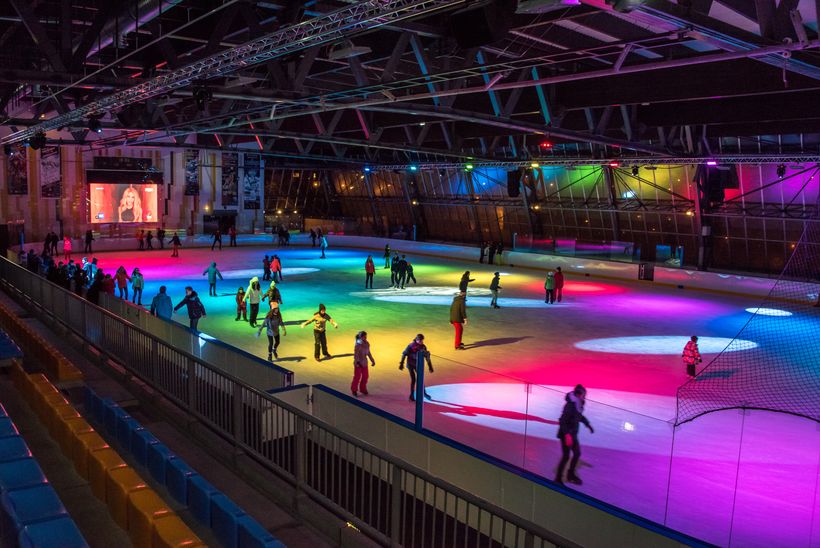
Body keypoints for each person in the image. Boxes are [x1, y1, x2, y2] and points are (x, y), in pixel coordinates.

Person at [555, 384, 594, 486]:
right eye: (584, 395)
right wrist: (567, 435)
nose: (585, 397)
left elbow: (579, 416)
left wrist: (587, 424)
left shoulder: (578, 403)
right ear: (579, 394)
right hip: (566, 434)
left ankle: (570, 474)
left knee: (577, 453)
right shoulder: (570, 405)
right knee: (566, 456)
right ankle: (558, 479)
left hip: (573, 434)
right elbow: (562, 421)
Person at [399, 334, 434, 401]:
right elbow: (404, 354)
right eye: (420, 341)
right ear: (417, 340)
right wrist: (401, 363)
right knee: (413, 379)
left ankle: (423, 393)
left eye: (422, 340)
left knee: (420, 378)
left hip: (418, 365)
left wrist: (430, 366)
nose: (422, 342)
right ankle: (411, 395)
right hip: (411, 365)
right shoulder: (411, 346)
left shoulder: (423, 347)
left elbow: (427, 357)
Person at [351, 331, 376, 397]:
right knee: (357, 377)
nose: (365, 337)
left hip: (364, 363)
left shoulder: (367, 343)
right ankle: (354, 390)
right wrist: (357, 362)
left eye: (366, 336)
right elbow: (356, 355)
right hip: (358, 364)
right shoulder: (358, 345)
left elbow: (368, 353)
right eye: (364, 336)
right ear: (361, 337)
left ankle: (363, 389)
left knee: (365, 377)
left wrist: (372, 360)